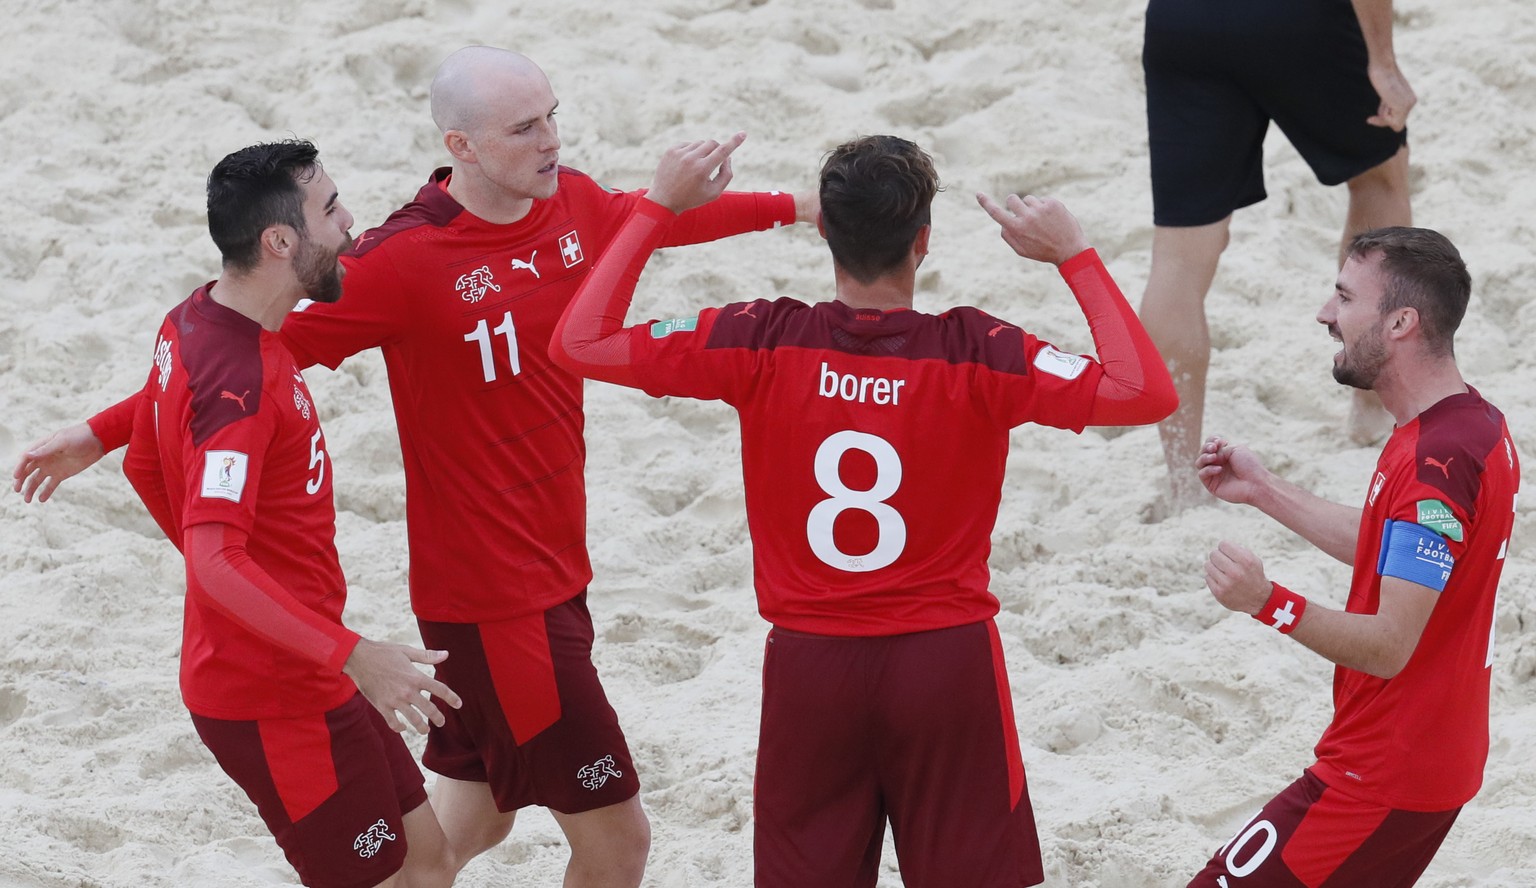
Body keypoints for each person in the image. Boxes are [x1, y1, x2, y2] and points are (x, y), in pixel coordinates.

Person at [10, 46, 813, 887]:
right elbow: (239, 362)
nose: (550, 139)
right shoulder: (398, 262)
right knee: (618, 843)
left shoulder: (568, 200)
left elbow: (654, 216)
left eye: (553, 116)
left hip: (553, 573)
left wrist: (800, 207)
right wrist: (104, 431)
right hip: (496, 601)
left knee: (461, 833)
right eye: (524, 126)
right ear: (460, 146)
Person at [550, 133, 1178, 886]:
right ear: (924, 242)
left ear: (824, 230)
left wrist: (655, 208)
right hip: (946, 665)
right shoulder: (977, 350)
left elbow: (579, 341)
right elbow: (1145, 393)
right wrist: (1073, 254)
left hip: (811, 668)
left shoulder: (762, 338)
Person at [114, 139, 462, 888]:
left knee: (427, 860)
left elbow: (142, 459)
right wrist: (351, 652)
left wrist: (252, 594)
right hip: (276, 695)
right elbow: (213, 559)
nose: (350, 225)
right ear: (280, 241)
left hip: (308, 661)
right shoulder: (237, 385)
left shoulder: (191, 320)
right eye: (331, 211)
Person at [1188, 227, 1519, 886]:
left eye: (1343, 297)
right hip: (1421, 758)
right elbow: (1389, 549)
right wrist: (1266, 491)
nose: (1323, 314)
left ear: (1399, 322)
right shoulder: (1471, 425)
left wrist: (1267, 603)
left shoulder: (1436, 462)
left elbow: (1392, 642)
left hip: (1384, 773)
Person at [1140, 0, 1417, 509]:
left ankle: (1183, 479)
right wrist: (1383, 60)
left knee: (1178, 256)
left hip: (1181, 23)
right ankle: (1370, 406)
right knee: (1379, 176)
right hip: (1294, 17)